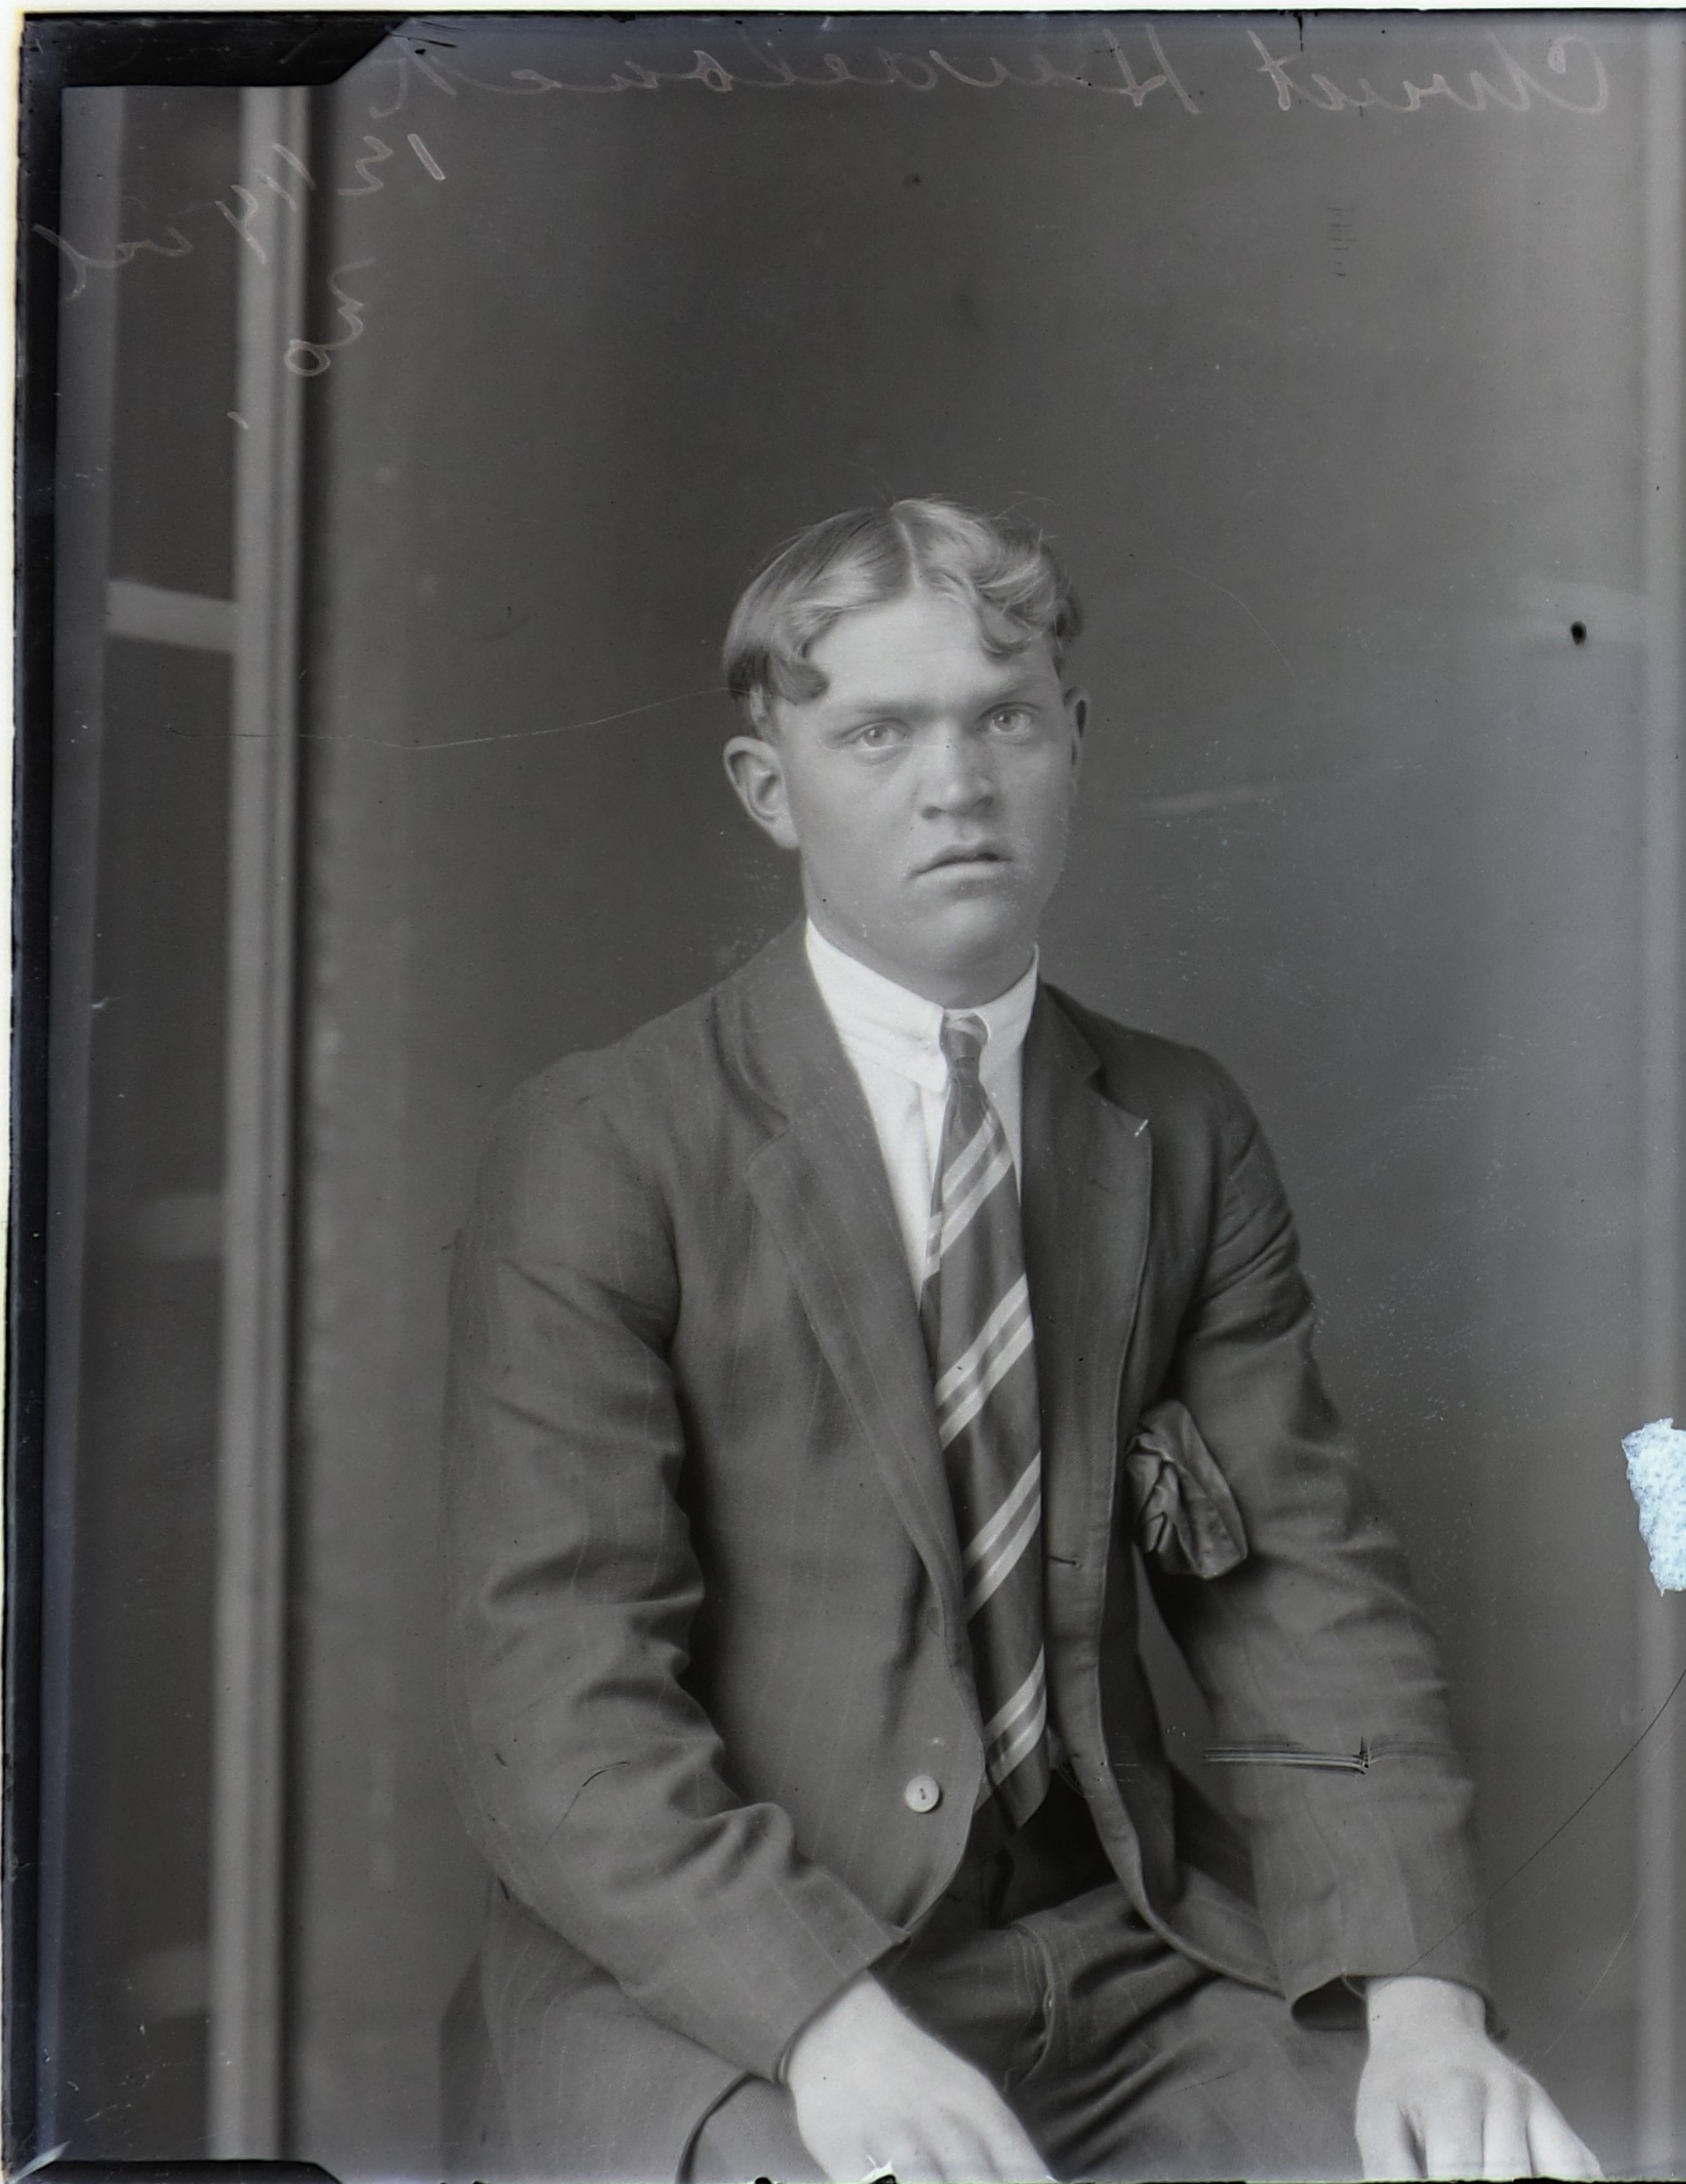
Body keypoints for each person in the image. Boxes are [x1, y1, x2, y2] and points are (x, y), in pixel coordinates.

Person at [440, 498, 1596, 2184]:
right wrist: (827, 2027)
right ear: (770, 786)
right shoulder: (604, 1145)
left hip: (1108, 1957)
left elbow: (1304, 1600)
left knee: (1466, 2169)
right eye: (879, 733)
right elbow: (556, 1701)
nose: (957, 783)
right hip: (716, 1983)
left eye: (1004, 719)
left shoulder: (1178, 1126)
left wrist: (1423, 2001)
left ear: (1074, 742)